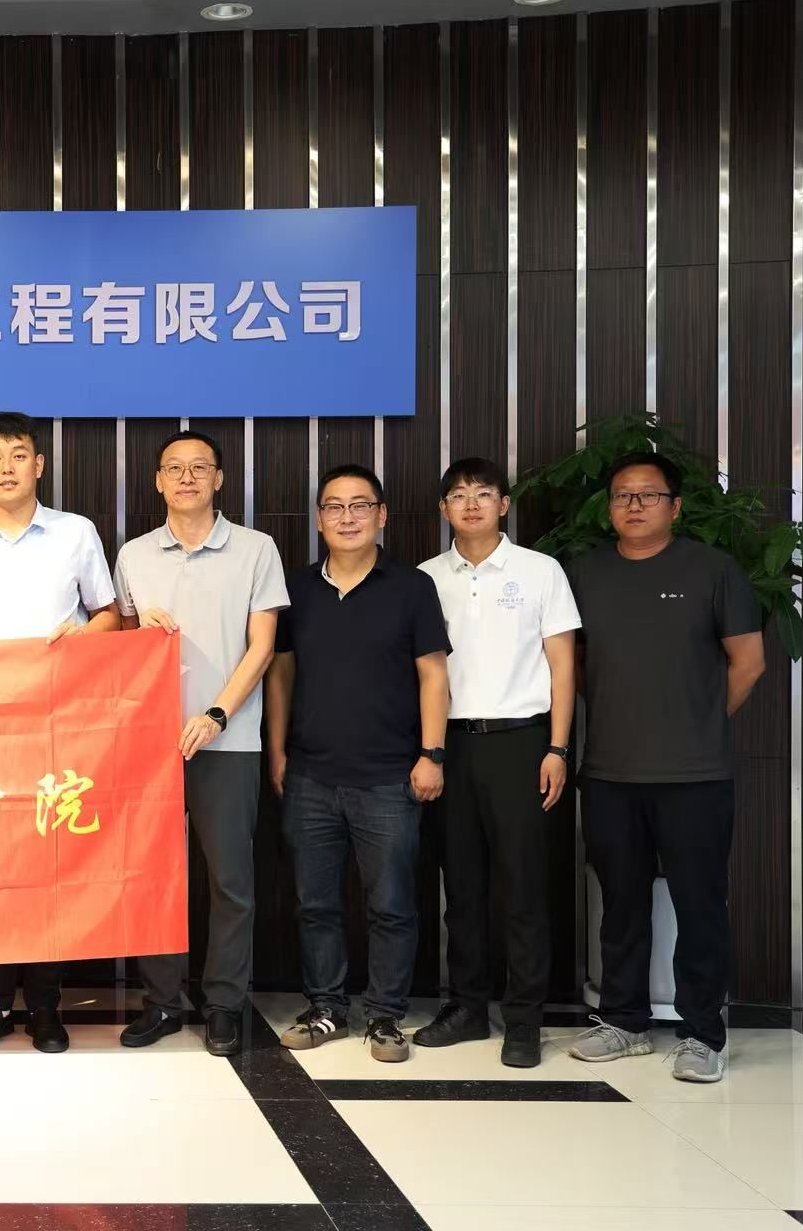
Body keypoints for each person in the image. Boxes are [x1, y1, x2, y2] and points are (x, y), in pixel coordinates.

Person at [566, 451, 764, 1083]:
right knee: (620, 903)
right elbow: (572, 666)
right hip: (609, 771)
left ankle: (703, 1033)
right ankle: (624, 1022)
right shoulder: (585, 573)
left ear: (675, 507)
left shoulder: (713, 570)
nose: (634, 505)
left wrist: (699, 719)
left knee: (699, 904)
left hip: (695, 775)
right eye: (622, 495)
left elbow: (749, 661)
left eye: (648, 495)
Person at [0, 410, 118, 1054]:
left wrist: (83, 633)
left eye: (19, 455)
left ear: (39, 465)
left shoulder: (76, 532)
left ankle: (45, 1007)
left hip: (58, 724)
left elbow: (109, 616)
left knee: (48, 866)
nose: (7, 467)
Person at [266, 464, 450, 1064]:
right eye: (334, 506)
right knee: (315, 904)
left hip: (390, 777)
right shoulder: (296, 589)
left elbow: (434, 675)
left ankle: (385, 1017)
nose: (347, 517)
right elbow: (281, 674)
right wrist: (277, 752)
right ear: (319, 518)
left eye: (360, 505)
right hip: (310, 775)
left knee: (391, 905)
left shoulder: (412, 587)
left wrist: (432, 754)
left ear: (382, 515)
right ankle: (325, 1007)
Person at [115, 431, 287, 1057]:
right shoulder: (134, 555)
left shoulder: (255, 549)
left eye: (199, 468)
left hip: (228, 740)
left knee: (231, 881)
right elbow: (120, 648)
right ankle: (162, 1001)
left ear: (219, 478)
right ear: (158, 481)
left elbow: (263, 647)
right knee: (153, 877)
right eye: (174, 468)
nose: (186, 478)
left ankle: (224, 1005)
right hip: (150, 744)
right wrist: (139, 630)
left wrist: (217, 713)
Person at [414, 458, 579, 1068]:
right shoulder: (426, 578)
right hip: (451, 746)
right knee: (461, 887)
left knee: (524, 887)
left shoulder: (540, 571)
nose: (472, 504)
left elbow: (563, 665)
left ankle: (525, 1020)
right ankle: (466, 1008)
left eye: (483, 494)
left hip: (522, 743)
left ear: (503, 505)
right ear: (444, 509)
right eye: (458, 496)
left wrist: (558, 748)